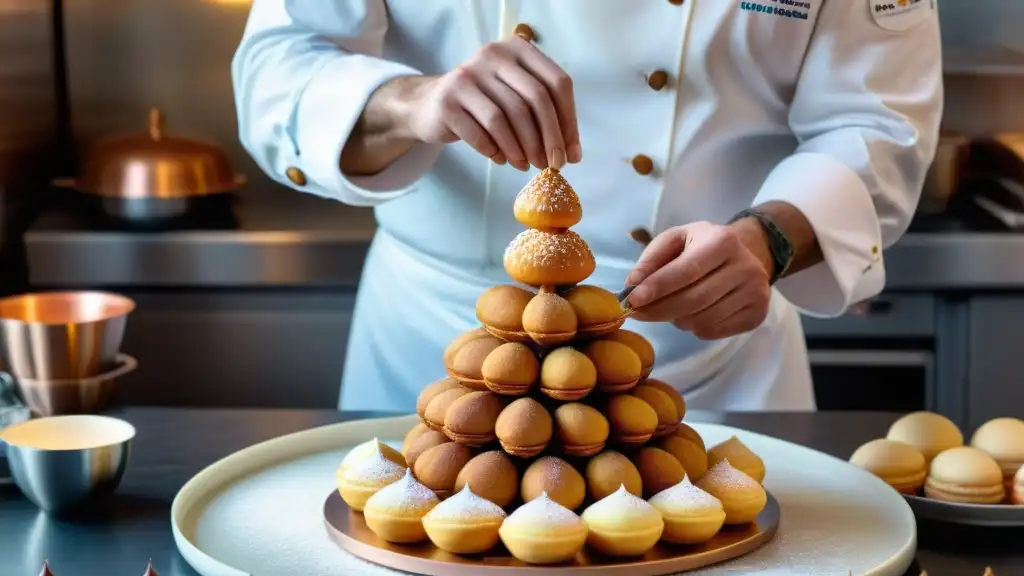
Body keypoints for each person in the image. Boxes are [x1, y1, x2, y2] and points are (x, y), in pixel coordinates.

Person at [232, 1, 942, 412]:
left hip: (707, 364)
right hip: (434, 347)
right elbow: (280, 67)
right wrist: (413, 102)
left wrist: (768, 242)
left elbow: (877, 126)